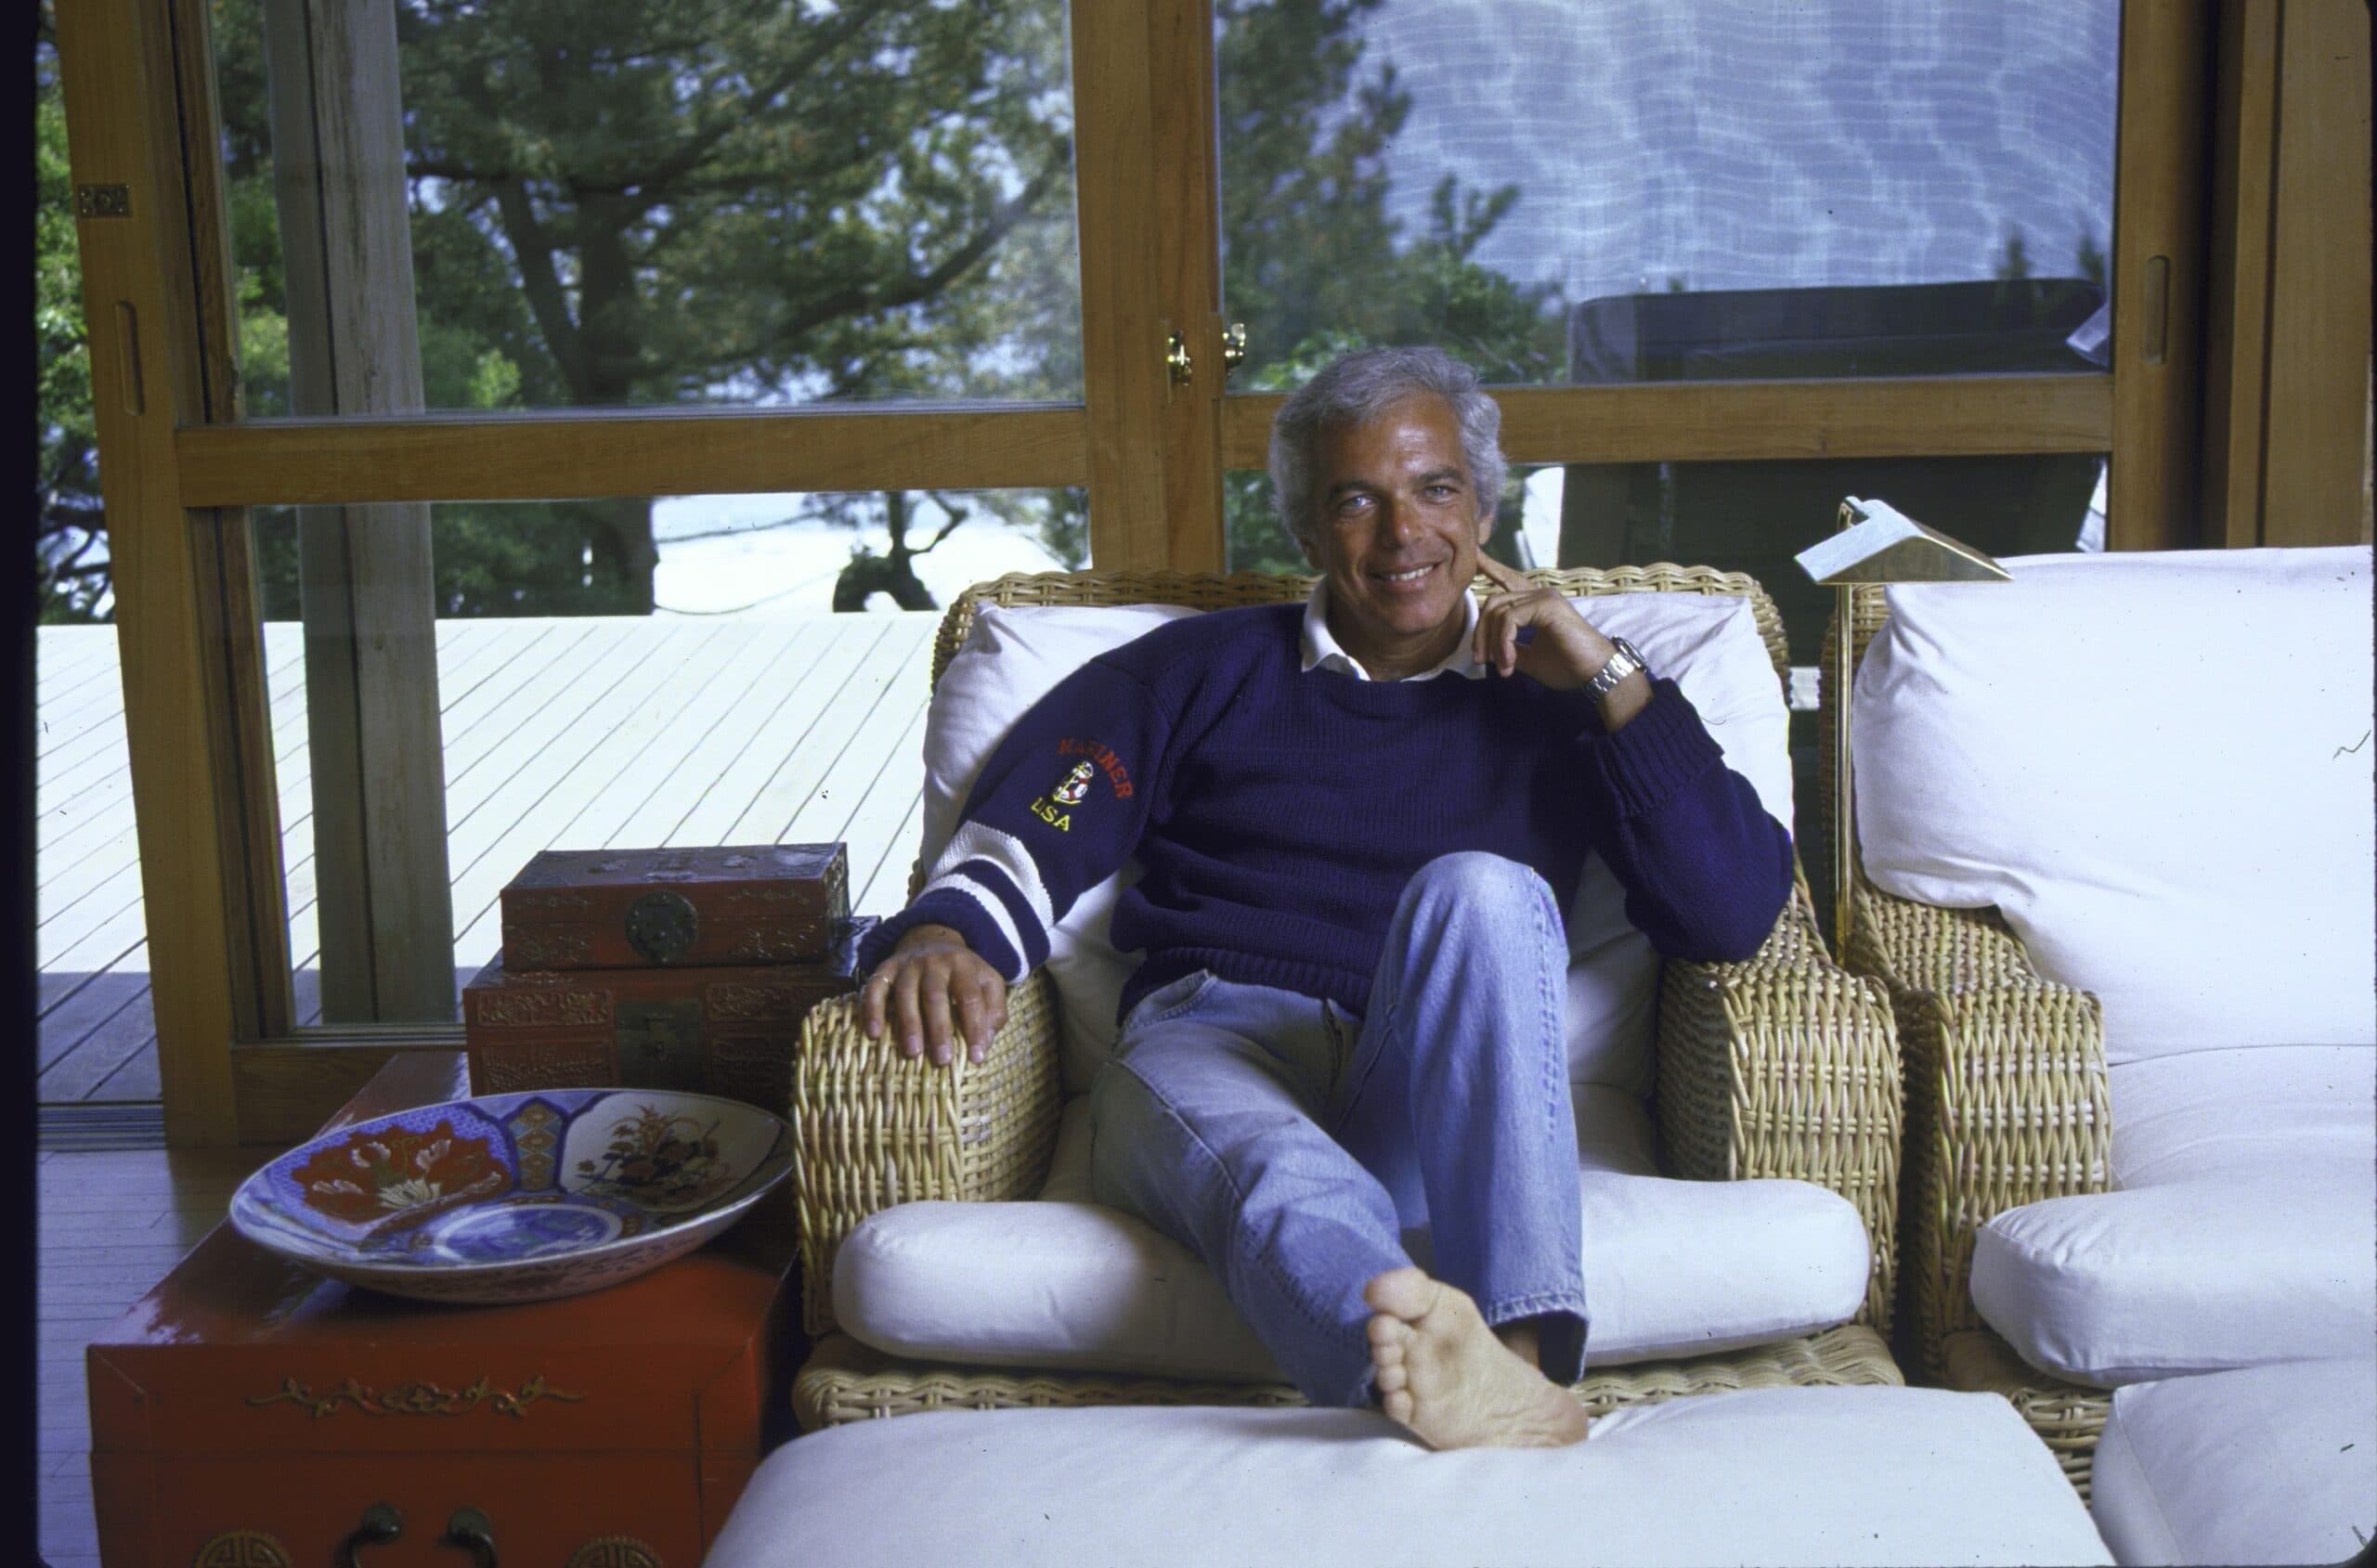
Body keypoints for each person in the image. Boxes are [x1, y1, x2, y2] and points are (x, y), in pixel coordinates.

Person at [855, 345, 1793, 1449]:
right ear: (1306, 530)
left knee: (1484, 890)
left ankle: (1517, 1359)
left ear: (1483, 511)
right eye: (1356, 501)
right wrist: (943, 930)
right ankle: (1440, 1376)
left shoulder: (1556, 692)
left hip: (1427, 1106)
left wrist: (1609, 678)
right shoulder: (1195, 671)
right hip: (1213, 1051)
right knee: (1274, 1163)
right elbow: (1044, 817)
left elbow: (1731, 911)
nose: (1403, 534)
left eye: (1436, 490)